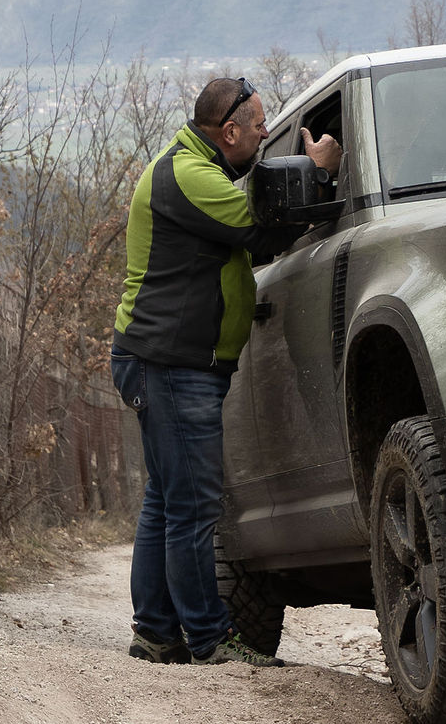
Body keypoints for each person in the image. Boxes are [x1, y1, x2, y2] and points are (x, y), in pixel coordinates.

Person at [109, 74, 341, 664]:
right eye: (261, 124)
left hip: (168, 361)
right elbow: (257, 226)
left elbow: (248, 242)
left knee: (168, 497)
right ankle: (211, 639)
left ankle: (157, 632)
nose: (267, 133)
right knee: (193, 504)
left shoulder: (195, 167)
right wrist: (316, 171)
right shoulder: (189, 176)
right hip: (170, 363)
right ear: (230, 130)